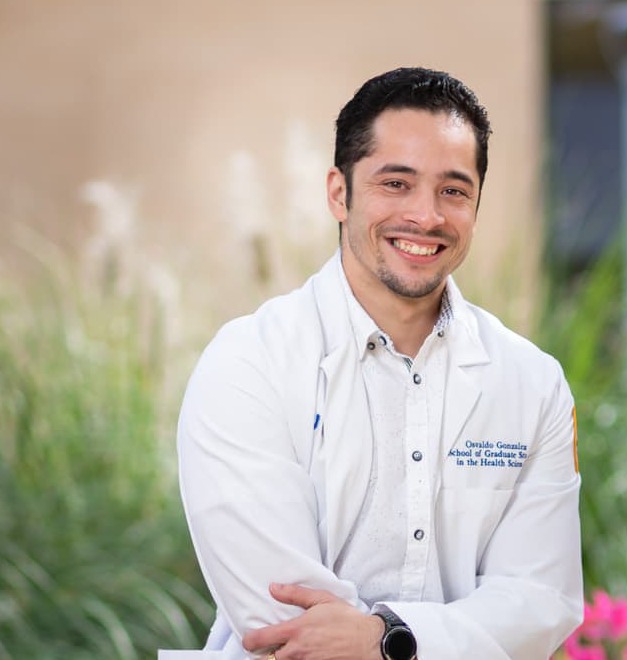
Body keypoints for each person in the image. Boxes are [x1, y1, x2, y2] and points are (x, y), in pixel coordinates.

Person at [175, 67, 582, 660]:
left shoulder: (532, 382)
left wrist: (388, 640)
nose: (426, 216)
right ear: (339, 193)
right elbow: (280, 618)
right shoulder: (247, 363)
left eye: (454, 190)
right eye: (396, 183)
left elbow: (541, 601)